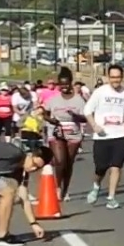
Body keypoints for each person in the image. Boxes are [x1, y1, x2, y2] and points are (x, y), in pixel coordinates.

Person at [0, 134, 49, 246]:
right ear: (30, 154)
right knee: (8, 193)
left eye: (37, 168)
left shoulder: (20, 171)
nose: (33, 168)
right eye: (34, 164)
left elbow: (24, 198)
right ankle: (2, 236)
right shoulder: (13, 152)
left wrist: (34, 223)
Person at [82, 64, 124, 208]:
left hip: (119, 135)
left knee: (116, 167)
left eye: (118, 77)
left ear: (122, 77)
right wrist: (94, 126)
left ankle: (111, 197)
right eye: (112, 77)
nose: (115, 80)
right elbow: (87, 110)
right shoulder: (100, 92)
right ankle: (96, 185)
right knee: (101, 167)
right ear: (108, 77)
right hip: (102, 136)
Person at [39, 69, 89, 201]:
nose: (64, 87)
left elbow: (86, 118)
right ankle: (58, 187)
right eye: (61, 85)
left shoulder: (79, 100)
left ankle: (65, 189)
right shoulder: (53, 100)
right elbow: (45, 113)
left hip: (73, 133)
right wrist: (50, 120)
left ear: (71, 83)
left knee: (68, 163)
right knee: (60, 161)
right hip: (57, 132)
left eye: (66, 84)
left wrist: (75, 115)